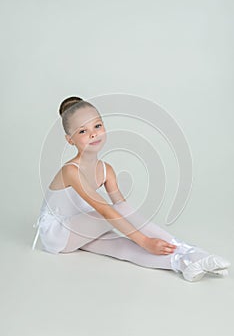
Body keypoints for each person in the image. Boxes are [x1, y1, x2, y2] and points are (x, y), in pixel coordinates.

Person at [32, 96, 231, 282]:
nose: (93, 133)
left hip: (82, 225)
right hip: (58, 233)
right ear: (70, 140)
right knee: (120, 217)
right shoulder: (70, 171)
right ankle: (189, 249)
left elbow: (123, 208)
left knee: (121, 247)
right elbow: (107, 210)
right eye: (82, 131)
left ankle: (185, 262)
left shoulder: (106, 170)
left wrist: (143, 239)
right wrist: (145, 241)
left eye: (97, 126)